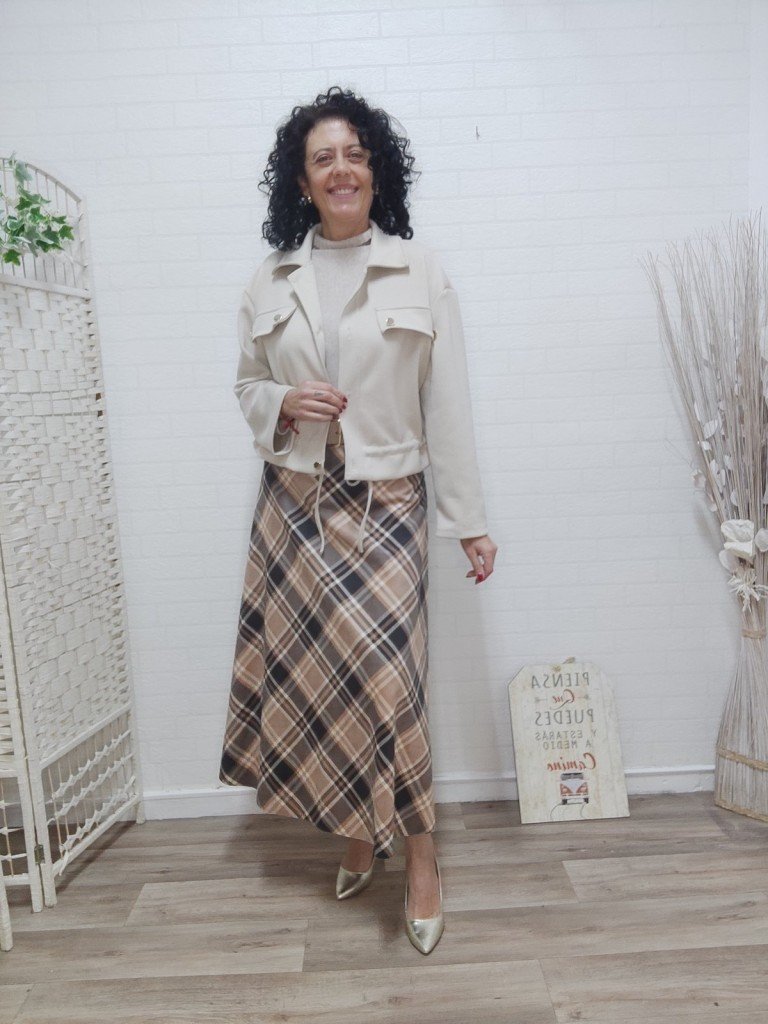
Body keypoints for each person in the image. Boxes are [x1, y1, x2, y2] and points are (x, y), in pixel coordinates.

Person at [219, 86, 497, 955]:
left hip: (390, 502)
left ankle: (421, 856)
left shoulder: (420, 270)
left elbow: (447, 403)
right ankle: (354, 830)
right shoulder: (270, 278)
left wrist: (469, 520)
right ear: (301, 181)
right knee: (325, 678)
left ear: (376, 171)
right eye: (322, 159)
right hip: (296, 505)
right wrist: (283, 400)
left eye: (354, 154)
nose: (340, 169)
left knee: (390, 682)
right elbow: (246, 386)